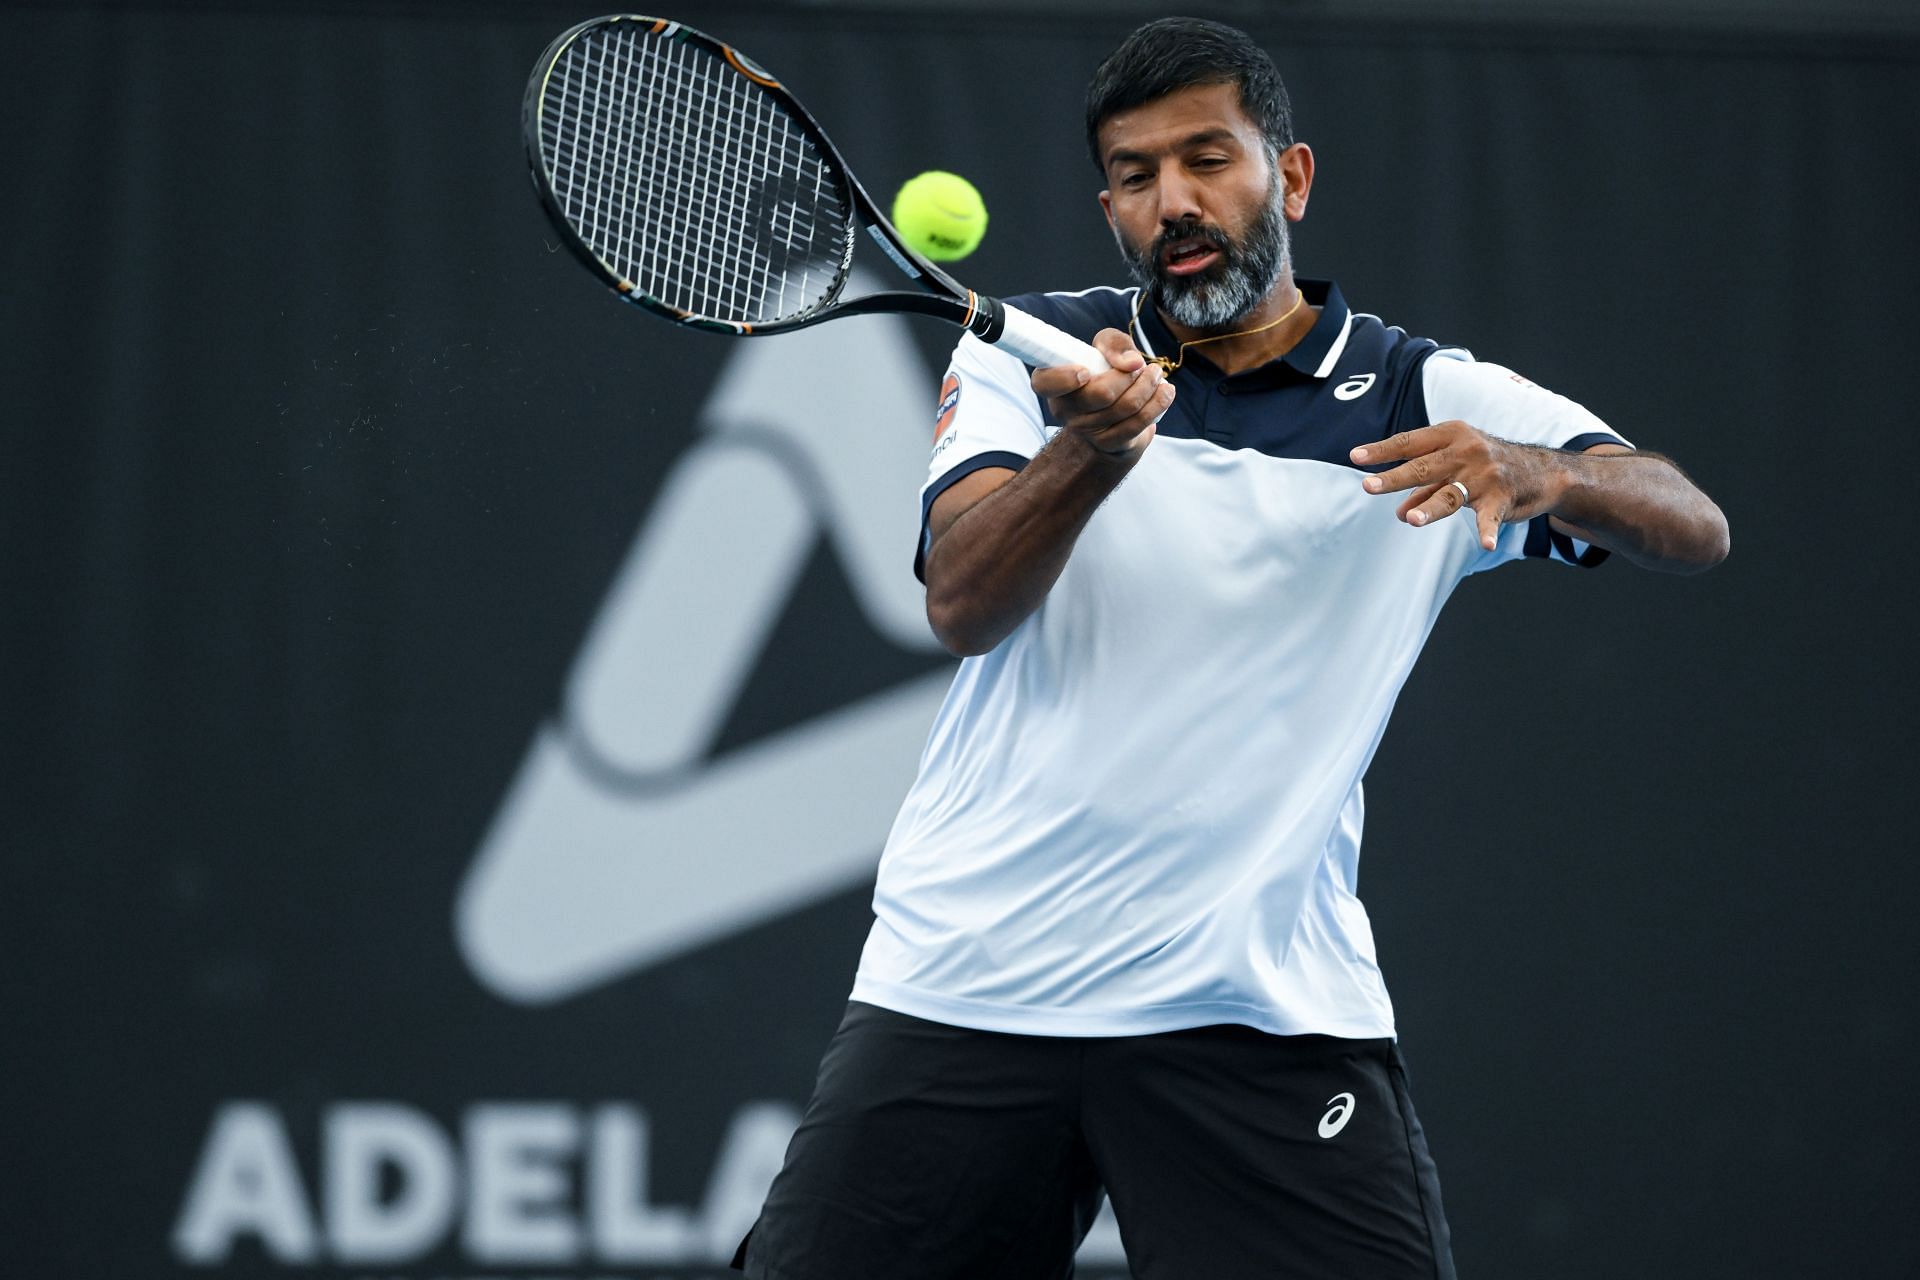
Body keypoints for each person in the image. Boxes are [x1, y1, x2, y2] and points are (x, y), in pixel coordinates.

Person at [735, 16, 1729, 1280]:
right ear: (1110, 206)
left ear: (1292, 176)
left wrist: (1535, 468)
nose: (1177, 203)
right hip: (968, 987)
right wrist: (1086, 457)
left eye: (1210, 159)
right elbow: (964, 604)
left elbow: (1693, 525)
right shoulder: (1030, 360)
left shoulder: (1428, 398)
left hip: (1259, 1012)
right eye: (1139, 177)